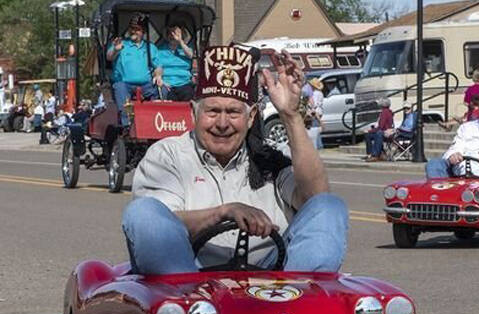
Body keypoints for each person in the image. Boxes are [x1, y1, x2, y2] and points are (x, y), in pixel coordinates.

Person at [121, 45, 348, 275]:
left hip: (274, 281)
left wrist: (290, 115)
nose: (222, 123)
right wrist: (223, 212)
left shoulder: (269, 158)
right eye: (212, 111)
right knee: (143, 212)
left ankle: (305, 304)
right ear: (193, 113)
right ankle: (184, 305)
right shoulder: (167, 155)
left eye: (232, 112)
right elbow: (160, 227)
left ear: (251, 118)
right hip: (190, 279)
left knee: (329, 206)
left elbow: (315, 199)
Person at [106, 14, 163, 126]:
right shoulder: (122, 44)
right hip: (125, 84)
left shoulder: (150, 47)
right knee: (119, 87)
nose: (133, 31)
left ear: (143, 32)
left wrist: (158, 75)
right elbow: (109, 56)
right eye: (132, 28)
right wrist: (116, 50)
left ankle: (154, 123)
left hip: (146, 86)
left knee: (163, 88)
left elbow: (158, 67)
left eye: (137, 29)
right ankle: (127, 126)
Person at [158, 22, 195, 101]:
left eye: (175, 33)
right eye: (170, 33)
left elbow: (191, 55)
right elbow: (158, 67)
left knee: (188, 95)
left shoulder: (185, 48)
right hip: (167, 84)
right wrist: (161, 80)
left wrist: (180, 41)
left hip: (184, 83)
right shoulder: (161, 50)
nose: (173, 36)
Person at [306, 77, 324, 149]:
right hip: (319, 112)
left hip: (315, 114)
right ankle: (318, 145)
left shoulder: (315, 94)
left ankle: (318, 146)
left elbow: (314, 106)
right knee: (316, 130)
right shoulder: (320, 93)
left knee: (314, 130)